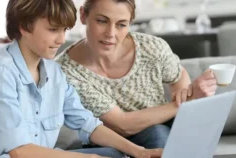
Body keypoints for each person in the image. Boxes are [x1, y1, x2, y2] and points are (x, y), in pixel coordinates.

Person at [0, 0, 163, 158]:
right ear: (24, 27)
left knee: (116, 154)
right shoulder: (0, 71)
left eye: (64, 30)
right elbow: (19, 151)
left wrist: (139, 151)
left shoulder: (54, 72)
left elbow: (87, 124)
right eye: (53, 30)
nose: (61, 39)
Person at [56, 0, 217, 149]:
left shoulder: (151, 48)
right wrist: (185, 102)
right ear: (83, 15)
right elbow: (122, 125)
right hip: (109, 143)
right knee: (158, 134)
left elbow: (178, 74)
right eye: (102, 21)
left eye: (121, 25)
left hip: (161, 127)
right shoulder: (66, 72)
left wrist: (182, 94)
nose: (110, 33)